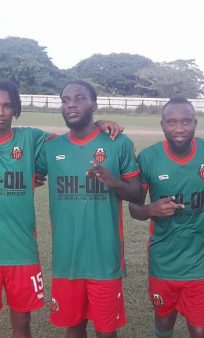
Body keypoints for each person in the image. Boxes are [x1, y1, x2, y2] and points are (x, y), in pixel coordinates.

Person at [0, 79, 124, 338]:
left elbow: (76, 136)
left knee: (22, 323)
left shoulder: (31, 138)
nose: (0, 112)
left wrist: (98, 123)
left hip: (21, 250)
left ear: (16, 109)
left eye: (7, 106)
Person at [36, 80, 142, 338]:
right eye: (65, 99)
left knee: (106, 330)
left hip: (104, 258)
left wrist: (112, 181)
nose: (71, 104)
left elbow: (138, 194)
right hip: (67, 257)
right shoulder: (51, 147)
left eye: (80, 98)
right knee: (74, 327)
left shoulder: (118, 143)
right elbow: (24, 173)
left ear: (94, 104)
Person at [128, 97, 204, 338]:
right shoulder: (149, 157)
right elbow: (134, 208)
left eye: (186, 121)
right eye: (171, 122)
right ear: (162, 124)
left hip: (200, 264)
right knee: (164, 325)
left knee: (200, 331)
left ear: (195, 123)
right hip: (163, 262)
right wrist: (150, 210)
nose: (178, 128)